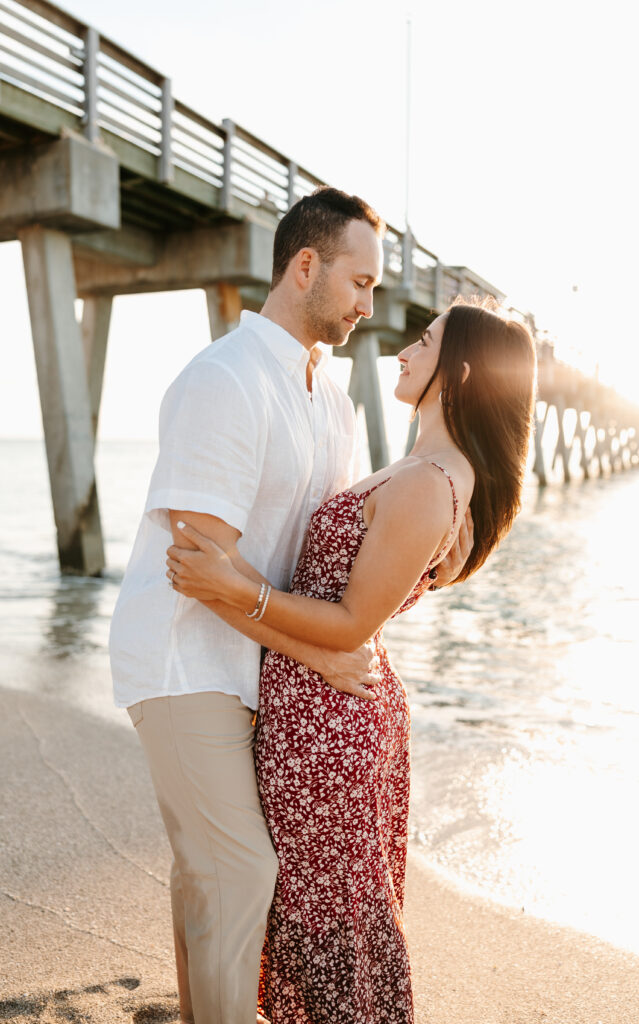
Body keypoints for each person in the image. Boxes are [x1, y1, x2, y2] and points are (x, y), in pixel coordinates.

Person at [109, 186, 471, 1024]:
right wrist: (325, 649)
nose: (368, 305)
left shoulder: (334, 403)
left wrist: (438, 529)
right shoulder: (224, 379)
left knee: (212, 871)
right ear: (304, 265)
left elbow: (330, 551)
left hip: (262, 667)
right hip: (185, 658)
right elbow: (200, 565)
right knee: (239, 871)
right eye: (359, 281)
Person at [165, 299, 536, 1023]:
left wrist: (242, 592)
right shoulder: (421, 466)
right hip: (320, 708)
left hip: (331, 726)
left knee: (326, 914)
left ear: (457, 372)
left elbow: (350, 625)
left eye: (422, 343)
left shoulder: (431, 483)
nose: (400, 351)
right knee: (314, 903)